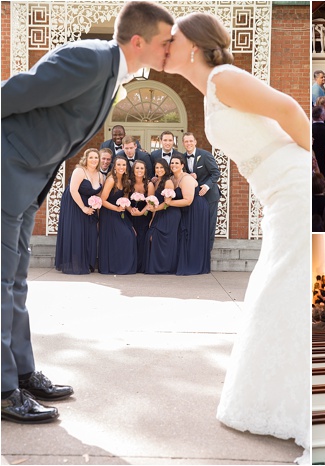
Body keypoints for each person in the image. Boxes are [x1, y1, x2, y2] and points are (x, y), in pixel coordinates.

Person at [1, 0, 173, 423]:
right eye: (165, 42)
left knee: (16, 281)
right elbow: (15, 92)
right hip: (7, 171)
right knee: (1, 282)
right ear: (138, 41)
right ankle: (4, 392)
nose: (170, 50)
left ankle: (22, 372)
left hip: (28, 182)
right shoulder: (89, 59)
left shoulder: (113, 75)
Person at [164, 12, 310, 459]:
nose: (164, 45)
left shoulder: (224, 77)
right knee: (276, 288)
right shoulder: (210, 90)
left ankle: (298, 408)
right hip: (275, 192)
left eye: (172, 39)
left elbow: (287, 108)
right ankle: (276, 400)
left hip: (293, 184)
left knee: (281, 287)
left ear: (194, 45)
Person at [54, 148, 103, 275]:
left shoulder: (100, 175)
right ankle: (74, 264)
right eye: (91, 157)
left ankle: (87, 262)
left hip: (89, 205)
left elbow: (99, 193)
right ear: (85, 159)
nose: (93, 160)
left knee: (90, 232)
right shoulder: (79, 171)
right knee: (76, 232)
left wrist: (96, 205)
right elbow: (73, 190)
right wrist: (83, 208)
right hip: (74, 204)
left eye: (96, 157)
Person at [167, 154, 211, 275]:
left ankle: (194, 265)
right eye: (172, 163)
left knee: (193, 236)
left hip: (196, 209)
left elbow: (188, 200)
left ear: (182, 165)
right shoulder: (171, 178)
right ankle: (184, 263)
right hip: (184, 209)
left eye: (177, 163)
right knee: (184, 236)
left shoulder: (186, 179)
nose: (174, 165)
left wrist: (169, 203)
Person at [181, 132, 220, 253]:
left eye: (191, 141)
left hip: (210, 196)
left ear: (195, 142)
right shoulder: (182, 157)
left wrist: (207, 186)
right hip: (194, 197)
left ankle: (207, 253)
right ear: (183, 143)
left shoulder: (205, 155)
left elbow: (216, 173)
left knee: (209, 224)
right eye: (186, 141)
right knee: (196, 224)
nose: (189, 143)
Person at [98, 156, 138, 275]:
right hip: (109, 213)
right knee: (125, 235)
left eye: (124, 165)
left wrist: (132, 210)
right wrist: (116, 209)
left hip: (119, 213)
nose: (121, 167)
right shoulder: (111, 180)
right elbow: (102, 200)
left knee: (131, 234)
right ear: (114, 167)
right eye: (119, 165)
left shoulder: (126, 181)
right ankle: (113, 267)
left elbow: (124, 201)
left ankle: (123, 266)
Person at [144, 158, 180, 273]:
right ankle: (158, 266)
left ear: (166, 169)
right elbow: (155, 201)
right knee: (152, 237)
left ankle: (165, 268)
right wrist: (153, 217)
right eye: (157, 167)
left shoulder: (168, 182)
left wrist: (155, 209)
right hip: (159, 213)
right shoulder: (156, 181)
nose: (159, 170)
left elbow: (167, 203)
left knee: (161, 239)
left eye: (161, 167)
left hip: (169, 214)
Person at [128, 159, 152, 273]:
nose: (139, 170)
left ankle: (141, 266)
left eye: (142, 168)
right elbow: (124, 199)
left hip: (144, 215)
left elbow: (151, 202)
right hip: (130, 215)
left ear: (145, 170)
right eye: (137, 168)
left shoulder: (149, 184)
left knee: (142, 238)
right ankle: (131, 264)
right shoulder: (129, 183)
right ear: (133, 170)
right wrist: (131, 210)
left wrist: (141, 212)